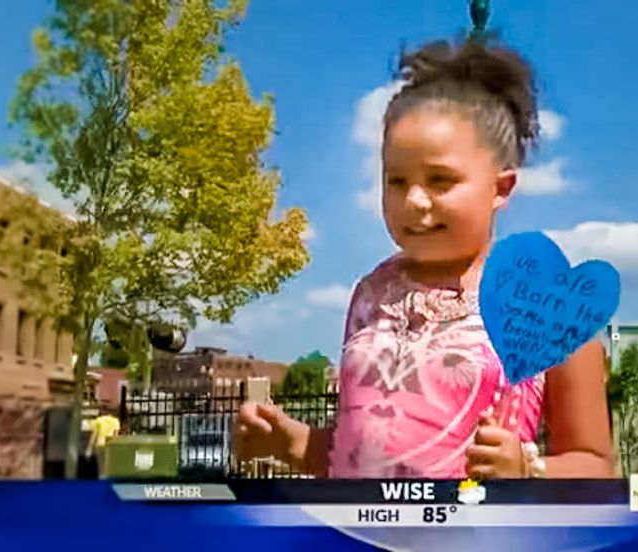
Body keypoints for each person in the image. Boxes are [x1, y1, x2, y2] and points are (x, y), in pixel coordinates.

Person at [234, 38, 614, 479]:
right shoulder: (370, 295)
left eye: (439, 180)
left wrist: (527, 469)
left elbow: (595, 465)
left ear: (501, 188)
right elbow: (359, 456)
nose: (414, 200)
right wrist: (292, 442)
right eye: (396, 181)